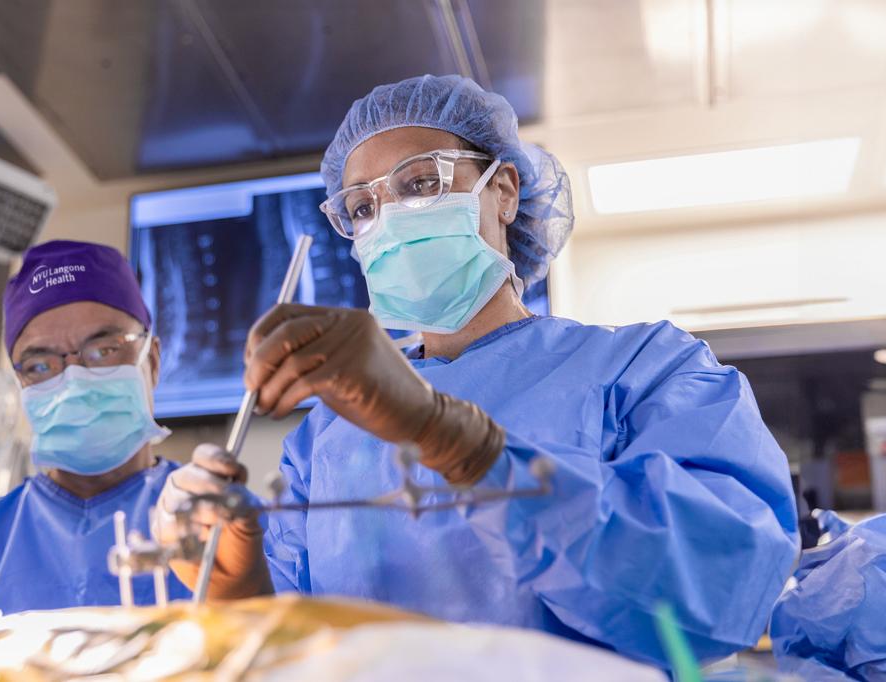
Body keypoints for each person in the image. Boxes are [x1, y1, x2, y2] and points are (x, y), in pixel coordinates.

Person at [156, 75, 799, 667]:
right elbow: (296, 647)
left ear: (504, 191)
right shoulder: (326, 432)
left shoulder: (646, 369)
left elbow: (724, 595)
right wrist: (236, 583)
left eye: (421, 184)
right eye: (361, 208)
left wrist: (455, 440)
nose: (389, 221)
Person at [0, 240, 189, 612]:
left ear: (153, 362)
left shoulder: (215, 523)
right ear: (20, 385)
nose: (76, 380)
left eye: (104, 350)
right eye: (40, 366)